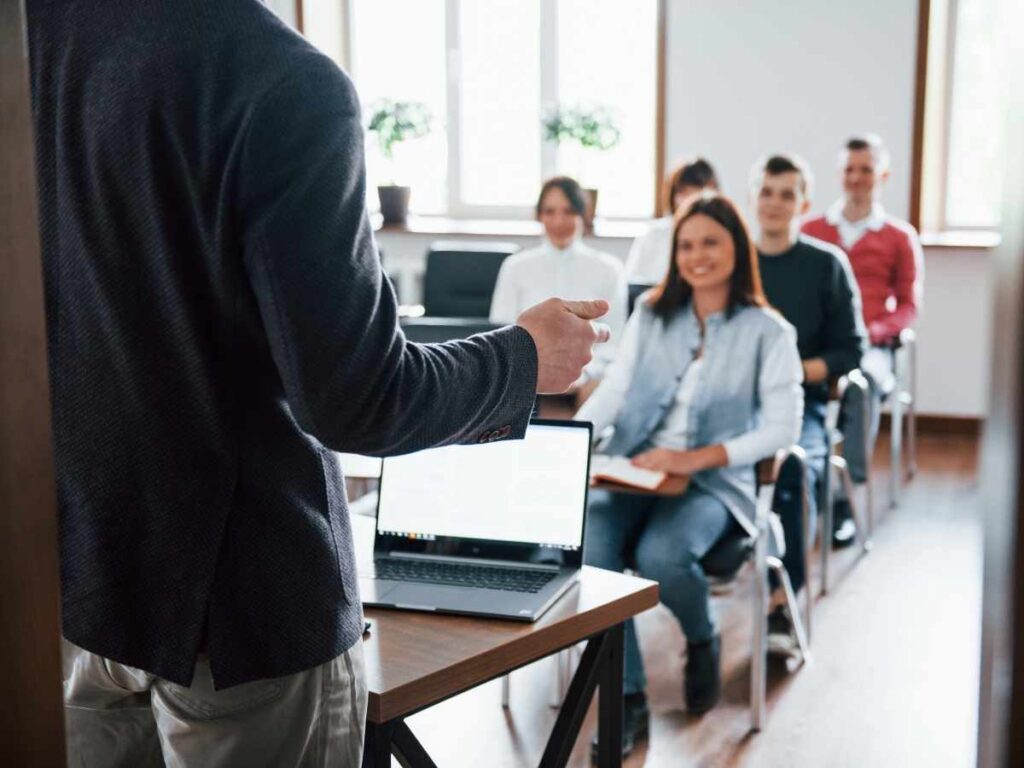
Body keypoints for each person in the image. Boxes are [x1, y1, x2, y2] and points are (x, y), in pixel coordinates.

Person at [26, 2, 610, 766]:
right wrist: (523, 359)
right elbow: (360, 399)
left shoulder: (38, 38)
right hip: (244, 616)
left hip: (80, 583)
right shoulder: (280, 81)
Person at [578, 193, 802, 757]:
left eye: (711, 243)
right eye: (686, 245)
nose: (697, 256)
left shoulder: (769, 331)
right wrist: (573, 444)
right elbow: (616, 389)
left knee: (661, 556)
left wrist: (695, 459)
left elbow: (782, 429)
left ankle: (702, 637)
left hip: (713, 481)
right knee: (591, 549)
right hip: (633, 467)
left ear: (738, 249)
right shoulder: (652, 314)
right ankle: (626, 695)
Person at [752, 154, 867, 649]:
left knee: (794, 470)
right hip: (734, 405)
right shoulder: (734, 263)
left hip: (803, 404)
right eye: (767, 192)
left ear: (804, 203)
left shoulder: (826, 265)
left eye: (787, 194)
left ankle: (782, 600)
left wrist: (791, 372)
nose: (775, 203)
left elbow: (850, 351)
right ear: (754, 197)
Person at [802, 134, 924, 544]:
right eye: (849, 170)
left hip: (871, 346)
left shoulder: (899, 236)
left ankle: (842, 495)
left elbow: (908, 305)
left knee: (862, 383)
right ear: (839, 174)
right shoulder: (812, 230)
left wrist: (876, 331)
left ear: (882, 175)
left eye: (866, 170)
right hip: (820, 344)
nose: (856, 178)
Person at [490, 176, 627, 395]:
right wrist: (535, 373)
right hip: (527, 378)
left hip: (587, 380)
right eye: (550, 211)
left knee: (601, 390)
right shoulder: (515, 267)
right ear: (539, 215)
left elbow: (615, 341)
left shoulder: (610, 269)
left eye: (569, 211)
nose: (559, 221)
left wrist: (584, 374)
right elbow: (501, 331)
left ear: (583, 214)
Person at [623, 157, 720, 285]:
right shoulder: (654, 234)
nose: (688, 199)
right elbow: (633, 283)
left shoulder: (723, 234)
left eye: (695, 190)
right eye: (682, 191)